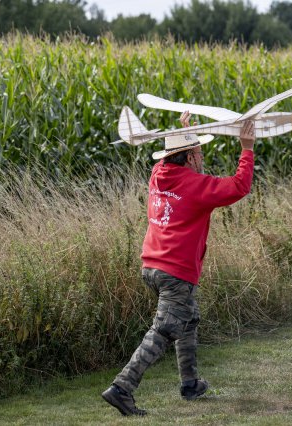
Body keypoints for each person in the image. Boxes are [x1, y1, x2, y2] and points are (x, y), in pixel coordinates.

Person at [102, 112, 256, 416]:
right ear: (188, 158)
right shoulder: (196, 186)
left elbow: (181, 163)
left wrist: (187, 133)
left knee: (187, 319)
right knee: (164, 329)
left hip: (152, 265)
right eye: (198, 153)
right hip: (175, 271)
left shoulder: (158, 173)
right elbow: (239, 186)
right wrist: (247, 149)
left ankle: (190, 384)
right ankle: (122, 388)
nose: (202, 157)